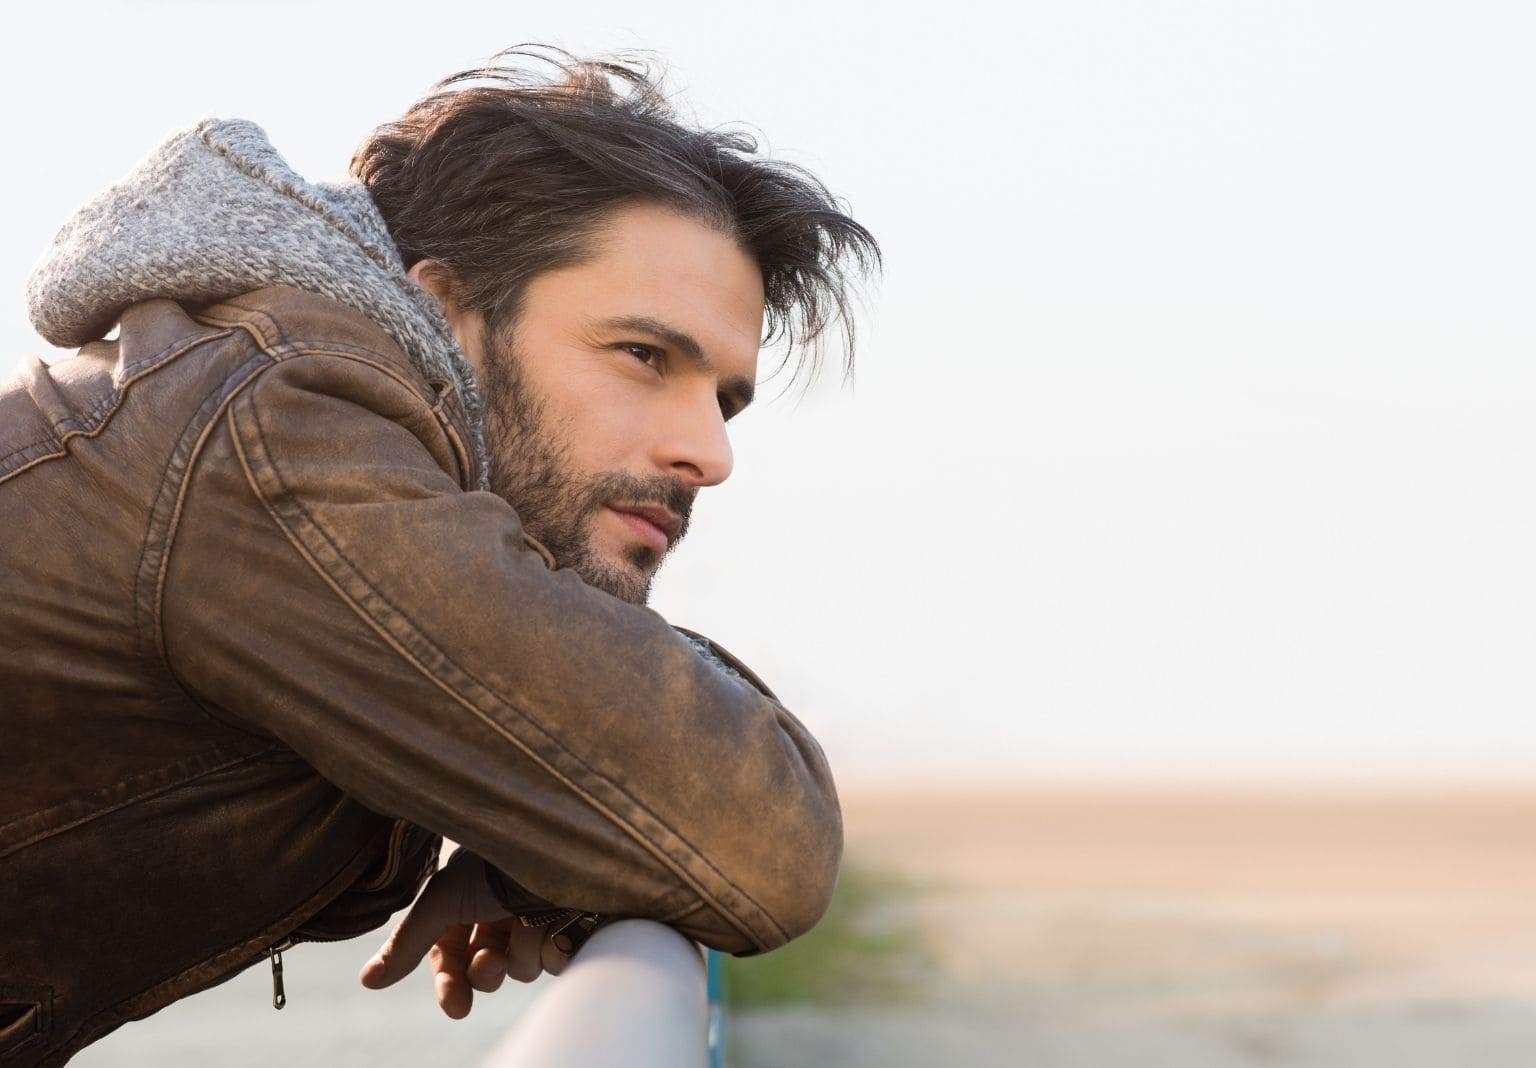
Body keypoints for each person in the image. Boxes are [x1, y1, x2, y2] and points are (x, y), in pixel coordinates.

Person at [0, 46, 878, 1066]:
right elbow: (757, 837)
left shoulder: (288, 428)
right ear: (449, 310)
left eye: (723, 400)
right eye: (645, 357)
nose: (709, 455)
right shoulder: (280, 436)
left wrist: (543, 829)